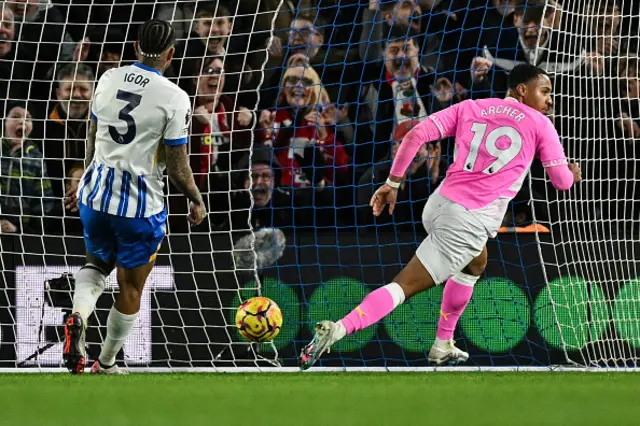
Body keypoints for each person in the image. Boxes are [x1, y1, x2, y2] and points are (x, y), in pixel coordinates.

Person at [299, 64, 583, 370]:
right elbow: (561, 182)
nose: (550, 100)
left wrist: (392, 183)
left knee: (477, 261)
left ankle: (442, 344)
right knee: (404, 286)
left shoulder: (472, 106)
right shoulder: (540, 124)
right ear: (522, 90)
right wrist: (573, 173)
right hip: (468, 221)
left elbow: (416, 133)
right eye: (545, 91)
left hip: (439, 204)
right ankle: (339, 329)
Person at [62, 19, 206, 375]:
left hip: (95, 196)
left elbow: (92, 133)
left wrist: (84, 179)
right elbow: (177, 165)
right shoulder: (175, 97)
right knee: (130, 285)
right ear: (171, 54)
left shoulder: (109, 77)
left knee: (95, 264)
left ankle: (78, 316)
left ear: (135, 47)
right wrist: (195, 197)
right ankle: (107, 363)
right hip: (139, 207)